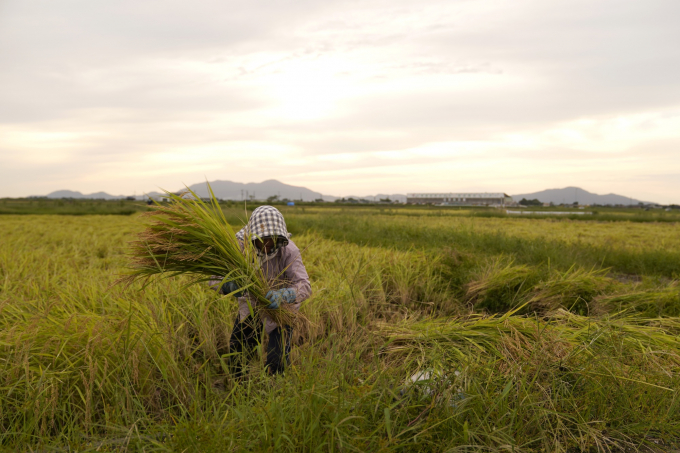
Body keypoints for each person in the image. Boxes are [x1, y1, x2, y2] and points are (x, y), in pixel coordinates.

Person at [213, 205, 311, 377]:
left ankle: (274, 392)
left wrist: (285, 295)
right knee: (238, 356)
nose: (266, 243)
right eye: (261, 238)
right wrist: (228, 285)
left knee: (277, 361)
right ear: (252, 236)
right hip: (251, 307)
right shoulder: (240, 248)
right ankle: (240, 391)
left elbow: (304, 285)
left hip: (282, 309)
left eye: (271, 238)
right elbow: (214, 277)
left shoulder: (288, 250)